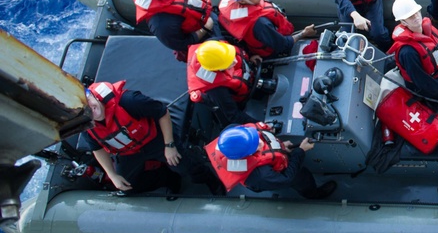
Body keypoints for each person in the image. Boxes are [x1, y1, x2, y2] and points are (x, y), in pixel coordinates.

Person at [82, 80, 182, 194]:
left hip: (155, 138)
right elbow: (97, 148)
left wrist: (169, 144)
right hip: (128, 152)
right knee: (127, 185)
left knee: (185, 166)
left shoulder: (129, 101)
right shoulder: (86, 126)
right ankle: (167, 178)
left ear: (93, 95)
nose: (89, 109)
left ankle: (202, 178)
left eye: (87, 101)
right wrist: (112, 175)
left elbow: (162, 112)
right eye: (82, 109)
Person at [205, 123, 338, 199]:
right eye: (256, 146)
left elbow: (261, 137)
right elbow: (287, 178)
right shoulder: (260, 175)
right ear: (244, 156)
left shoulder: (234, 133)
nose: (261, 144)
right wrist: (300, 151)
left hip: (273, 160)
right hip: (273, 178)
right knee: (300, 177)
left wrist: (280, 146)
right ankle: (313, 194)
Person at [131, 0, 219, 61]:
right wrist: (205, 29)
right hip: (201, 39)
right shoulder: (161, 22)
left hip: (205, 15)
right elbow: (181, 44)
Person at [218, 0, 317, 59]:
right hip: (270, 50)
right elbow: (283, 45)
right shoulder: (260, 24)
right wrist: (303, 33)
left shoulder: (234, 4)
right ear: (242, 1)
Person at [186, 40, 258, 142]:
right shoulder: (216, 90)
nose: (235, 61)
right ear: (216, 70)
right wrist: (260, 124)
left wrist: (250, 57)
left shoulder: (212, 49)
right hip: (235, 101)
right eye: (229, 63)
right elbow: (233, 116)